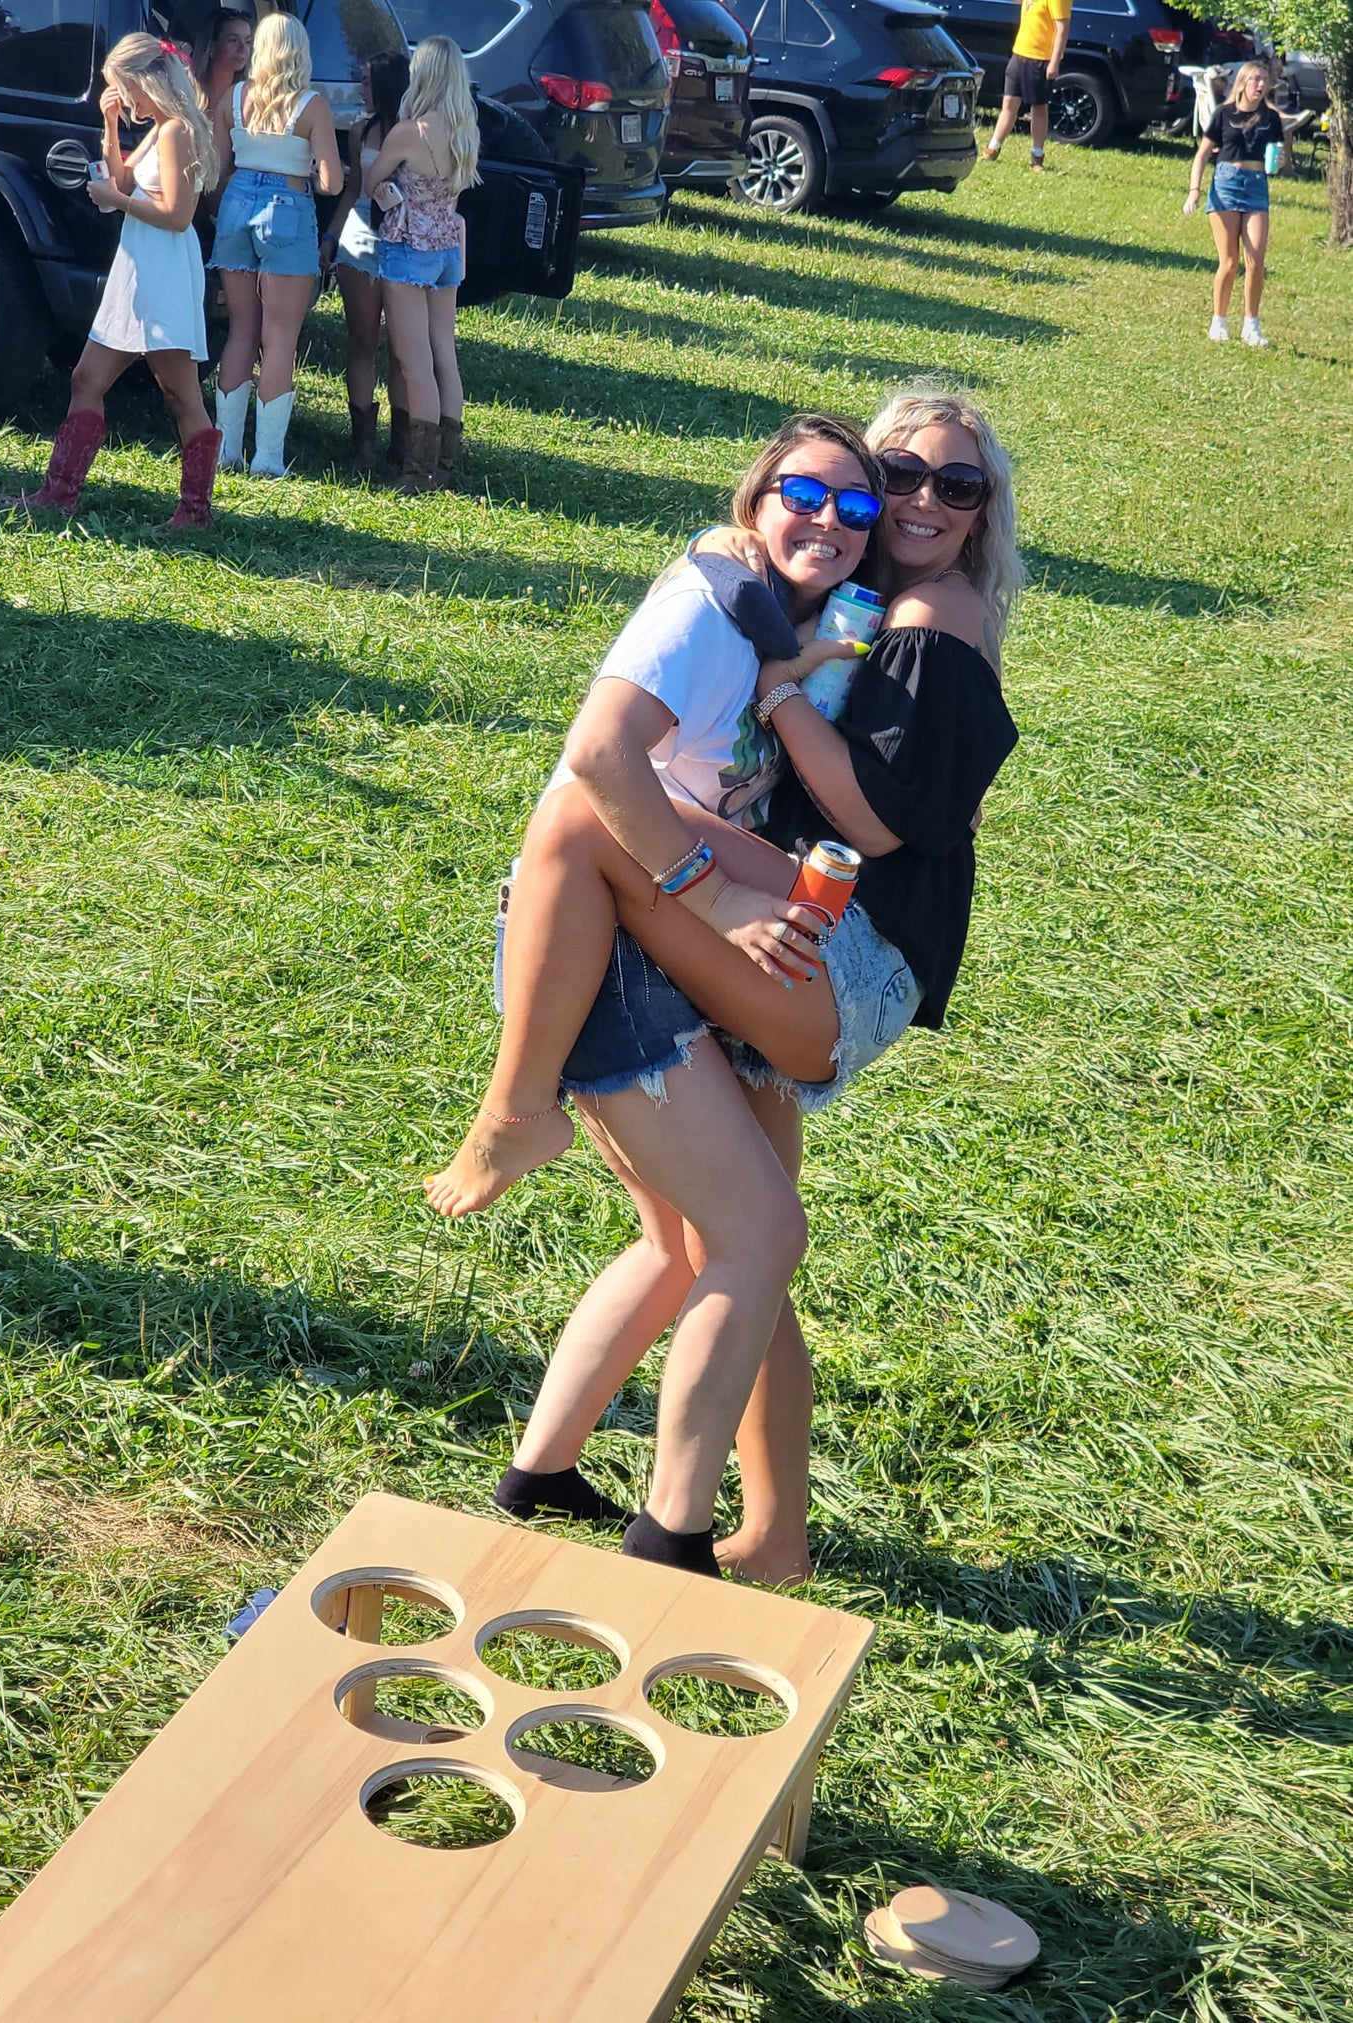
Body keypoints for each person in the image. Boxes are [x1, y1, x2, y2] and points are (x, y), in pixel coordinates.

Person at [431, 400, 1021, 1581]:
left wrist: (782, 702)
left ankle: (674, 1531)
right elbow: (644, 707)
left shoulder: (927, 615)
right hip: (737, 948)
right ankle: (727, 1524)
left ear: (981, 518)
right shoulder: (789, 606)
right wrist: (769, 637)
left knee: (735, 1235)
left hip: (824, 953)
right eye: (893, 474)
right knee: (715, 1242)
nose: (909, 502)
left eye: (950, 489)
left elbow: (880, 815)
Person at [9, 35, 222, 529]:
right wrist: (108, 126)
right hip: (139, 264)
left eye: (126, 89)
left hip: (163, 267)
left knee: (180, 394)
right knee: (86, 378)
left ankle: (195, 511)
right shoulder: (160, 129)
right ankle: (58, 493)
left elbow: (177, 214)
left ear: (147, 79)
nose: (126, 100)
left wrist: (115, 198)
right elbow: (123, 182)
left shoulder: (176, 132)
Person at [210, 11, 342, 476]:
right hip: (287, 208)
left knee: (241, 331)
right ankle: (267, 459)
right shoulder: (311, 106)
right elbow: (331, 181)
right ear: (299, 52)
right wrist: (303, 169)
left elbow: (217, 168)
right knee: (280, 338)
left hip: (237, 205)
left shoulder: (234, 98)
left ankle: (224, 450)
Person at [359, 35, 479, 492]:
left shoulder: (410, 131)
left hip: (408, 244)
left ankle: (418, 470)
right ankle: (445, 462)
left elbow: (373, 179)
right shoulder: (466, 129)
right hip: (449, 244)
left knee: (414, 361)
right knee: (444, 354)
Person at [318, 50, 412, 477]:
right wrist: (331, 238)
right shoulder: (360, 131)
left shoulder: (414, 133)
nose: (360, 89)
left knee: (403, 346)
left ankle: (404, 440)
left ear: (388, 85)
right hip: (361, 232)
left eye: (368, 82)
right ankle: (363, 444)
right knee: (361, 339)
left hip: (405, 235)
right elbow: (353, 188)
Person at [1184, 58, 1289, 348]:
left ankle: (1251, 326)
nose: (1260, 85)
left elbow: (1279, 157)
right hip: (1226, 184)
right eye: (1256, 79)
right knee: (1229, 262)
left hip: (1256, 186)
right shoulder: (1223, 114)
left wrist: (1280, 162)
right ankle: (1219, 320)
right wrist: (1195, 190)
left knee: (1256, 261)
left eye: (1264, 80)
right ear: (1242, 82)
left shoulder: (1270, 118)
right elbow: (1203, 154)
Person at [982, 0, 1071, 171]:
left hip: (1040, 58)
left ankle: (1037, 157)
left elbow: (1062, 28)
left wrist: (1054, 62)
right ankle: (992, 148)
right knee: (1009, 102)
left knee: (1038, 107)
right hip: (1020, 53)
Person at [190, 7, 252, 118]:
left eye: (248, 41)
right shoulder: (185, 86)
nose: (242, 48)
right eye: (233, 40)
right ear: (211, 45)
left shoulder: (250, 94)